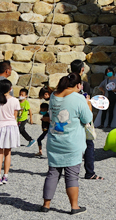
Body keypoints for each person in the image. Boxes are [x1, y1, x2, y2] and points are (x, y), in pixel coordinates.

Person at [41, 73, 92, 214]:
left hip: (54, 140)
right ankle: (74, 206)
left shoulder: (54, 96)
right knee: (72, 176)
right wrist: (88, 103)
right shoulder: (78, 98)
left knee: (52, 173)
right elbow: (87, 118)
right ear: (78, 85)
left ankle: (46, 204)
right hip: (72, 142)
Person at [0, 79, 20, 185]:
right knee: (8, 153)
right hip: (11, 126)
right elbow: (15, 116)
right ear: (10, 89)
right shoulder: (15, 101)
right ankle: (5, 176)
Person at [36, 87, 52, 156]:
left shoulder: (53, 100)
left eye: (43, 97)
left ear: (46, 94)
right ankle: (40, 151)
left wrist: (47, 119)